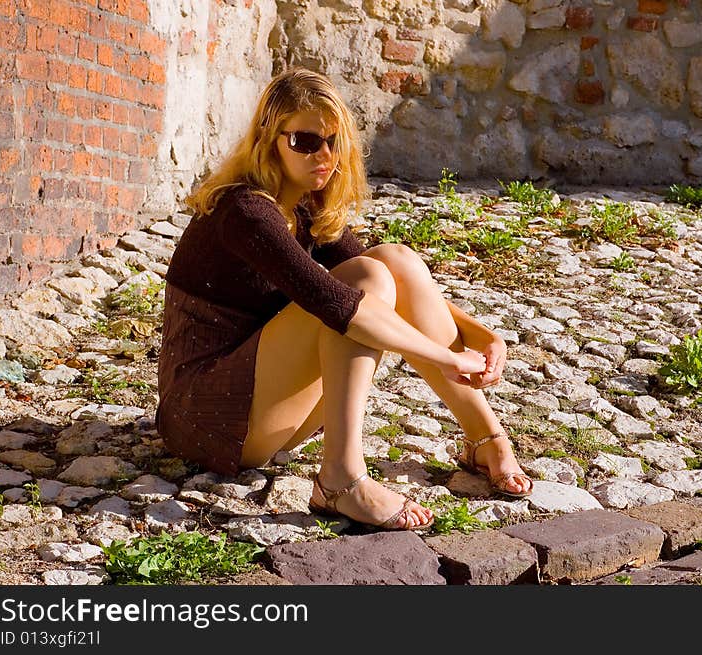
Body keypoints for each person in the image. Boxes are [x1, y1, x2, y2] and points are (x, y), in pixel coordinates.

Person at [155, 67, 532, 532]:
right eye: (306, 142)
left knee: (394, 258)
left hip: (260, 410)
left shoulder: (304, 205)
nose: (325, 156)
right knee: (361, 285)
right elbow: (337, 302)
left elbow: (389, 277)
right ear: (271, 139)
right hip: (203, 419)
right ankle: (341, 479)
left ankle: (484, 437)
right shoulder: (245, 210)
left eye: (334, 142)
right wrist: (444, 356)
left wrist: (482, 333)